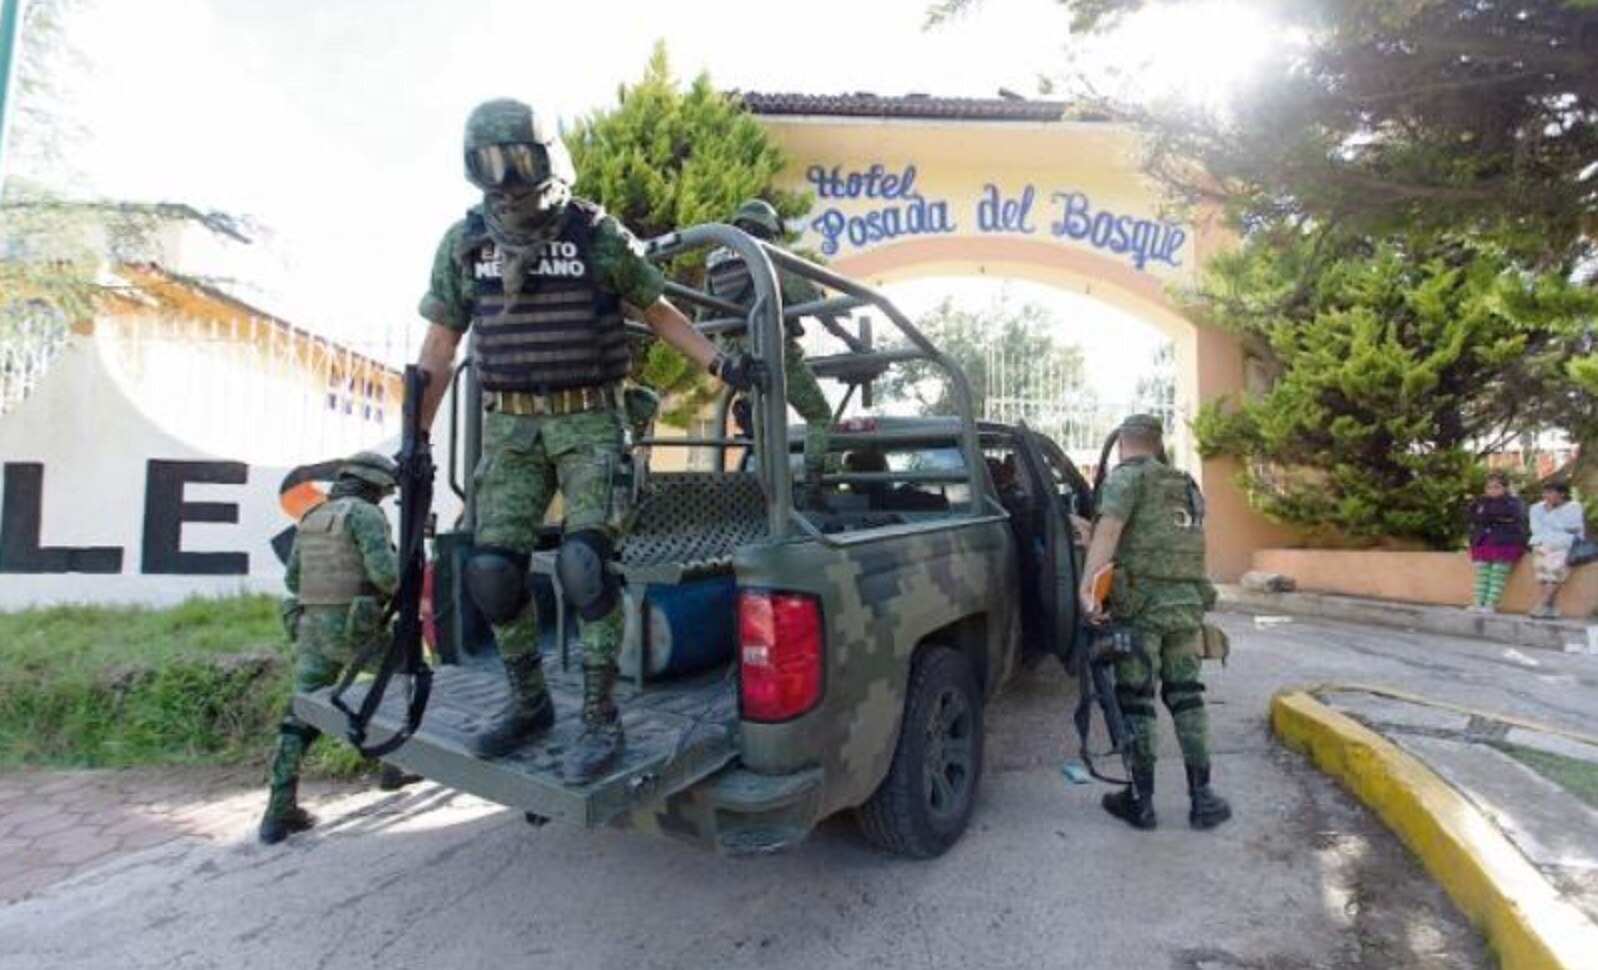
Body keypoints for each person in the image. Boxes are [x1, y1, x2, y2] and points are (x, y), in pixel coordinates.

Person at [413, 99, 760, 783]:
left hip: (589, 419)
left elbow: (658, 312)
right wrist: (414, 441)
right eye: (489, 164)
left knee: (585, 566)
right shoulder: (463, 244)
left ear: (545, 157)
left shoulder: (597, 234)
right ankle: (529, 703)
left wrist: (723, 366)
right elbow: (439, 345)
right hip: (509, 424)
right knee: (490, 573)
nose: (506, 178)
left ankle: (601, 721)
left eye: (518, 160)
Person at [1077, 414, 1230, 832]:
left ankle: (1140, 803)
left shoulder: (1125, 480)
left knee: (1138, 700)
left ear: (1123, 443)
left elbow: (1110, 535)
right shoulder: (1184, 484)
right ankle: (1203, 800)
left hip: (1140, 610)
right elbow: (1169, 541)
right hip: (1185, 606)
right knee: (1187, 695)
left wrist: (1087, 591)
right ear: (1157, 443)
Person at [259, 451, 417, 845]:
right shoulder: (365, 516)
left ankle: (278, 811)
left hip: (311, 628)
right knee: (404, 678)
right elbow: (385, 575)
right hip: (355, 628)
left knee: (300, 714)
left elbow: (295, 579)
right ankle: (393, 764)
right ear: (375, 485)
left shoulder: (313, 516)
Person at [705, 198, 834, 507]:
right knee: (820, 417)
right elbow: (811, 300)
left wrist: (726, 355)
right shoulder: (768, 253)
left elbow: (704, 319)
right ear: (770, 228)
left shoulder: (715, 262)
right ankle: (812, 492)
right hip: (775, 351)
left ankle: (769, 500)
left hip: (740, 361)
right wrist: (848, 336)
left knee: (764, 432)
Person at [1465, 471, 1527, 614]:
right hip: (1483, 542)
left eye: (1496, 487)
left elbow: (1514, 515)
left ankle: (1490, 605)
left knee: (1497, 575)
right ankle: (1477, 603)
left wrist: (1490, 516)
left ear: (1505, 488)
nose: (1492, 490)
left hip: (1505, 543)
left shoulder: (1513, 502)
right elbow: (1472, 516)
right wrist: (1492, 517)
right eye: (1489, 487)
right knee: (1482, 574)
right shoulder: (1480, 502)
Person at [1528, 481, 1585, 619]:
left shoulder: (1574, 507)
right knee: (1542, 578)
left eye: (1550, 492)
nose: (1546, 495)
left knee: (1554, 577)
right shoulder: (1537, 508)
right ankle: (1550, 609)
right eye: (1545, 492)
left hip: (1562, 545)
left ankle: (1541, 604)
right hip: (1541, 544)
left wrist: (1551, 520)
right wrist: (1555, 523)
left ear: (1562, 494)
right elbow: (1535, 527)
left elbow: (1572, 526)